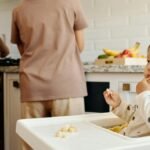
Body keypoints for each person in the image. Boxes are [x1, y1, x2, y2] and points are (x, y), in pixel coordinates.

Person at [11, 0, 88, 149]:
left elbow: (23, 50)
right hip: (66, 84)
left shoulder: (19, 10)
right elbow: (80, 46)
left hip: (32, 85)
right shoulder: (72, 4)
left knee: (31, 144)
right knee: (70, 142)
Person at [103, 45, 150, 137]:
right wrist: (119, 105)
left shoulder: (145, 96)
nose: (149, 67)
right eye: (148, 61)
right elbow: (135, 117)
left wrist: (144, 94)